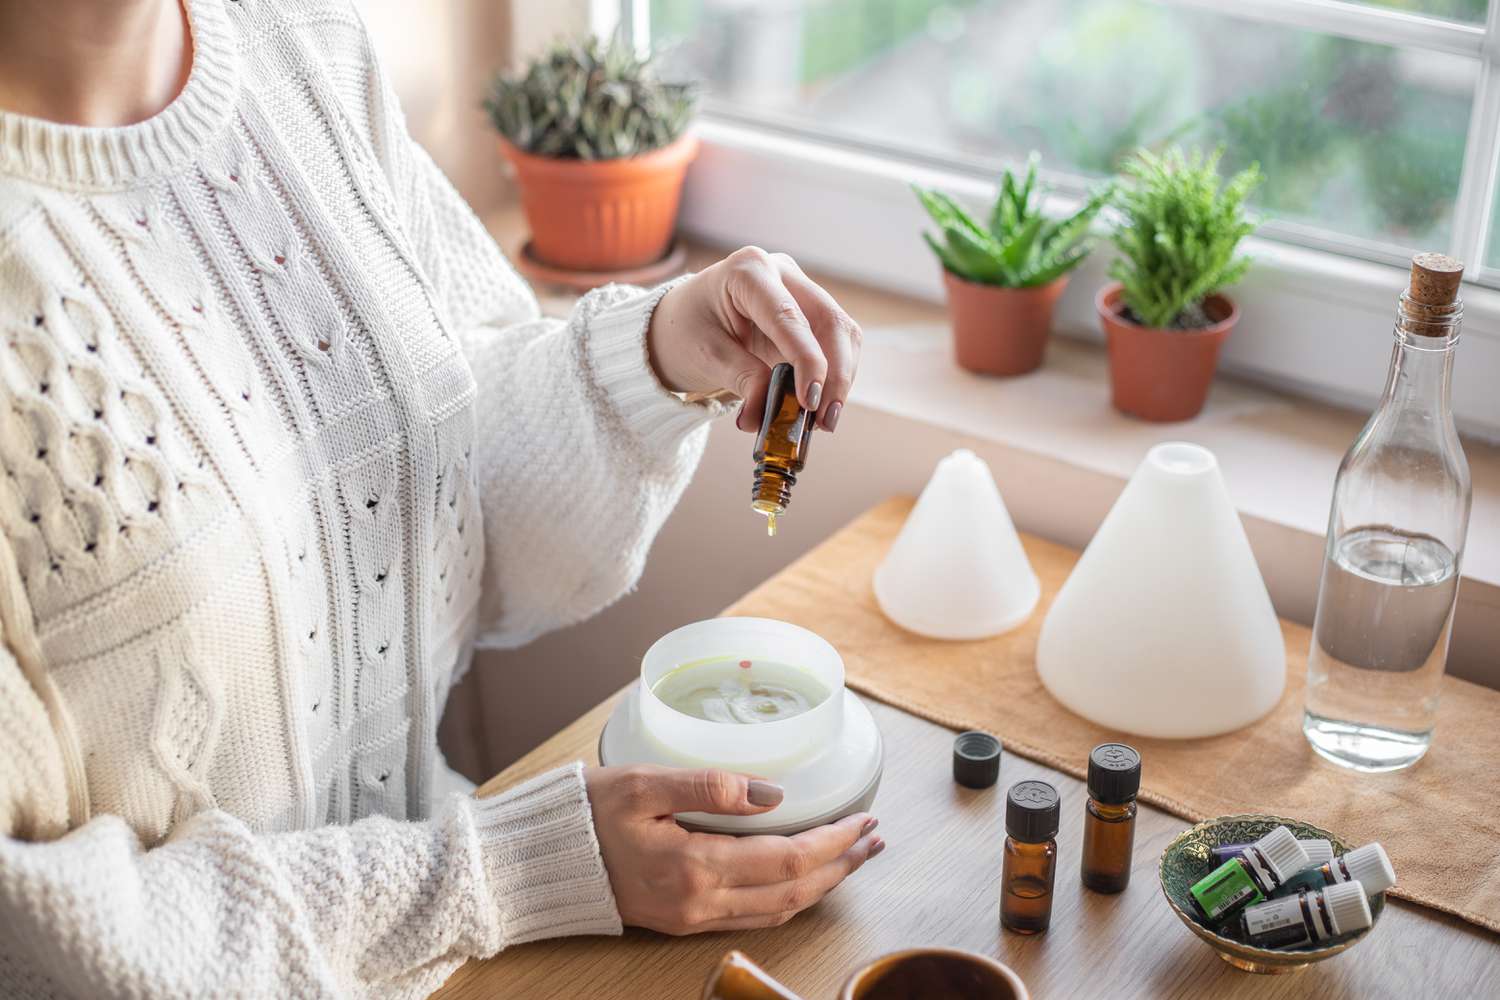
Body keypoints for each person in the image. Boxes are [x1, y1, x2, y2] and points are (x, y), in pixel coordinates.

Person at [0, 0, 876, 995]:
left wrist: (660, 357)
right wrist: (505, 870)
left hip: (472, 954)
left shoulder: (306, 50)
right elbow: (35, 933)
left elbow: (450, 511)